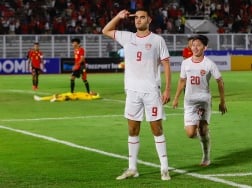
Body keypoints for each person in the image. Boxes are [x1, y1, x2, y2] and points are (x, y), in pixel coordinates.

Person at [102, 9, 171, 180]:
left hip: (151, 92)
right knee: (133, 129)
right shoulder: (127, 37)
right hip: (132, 92)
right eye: (137, 18)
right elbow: (105, 30)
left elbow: (166, 65)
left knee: (157, 129)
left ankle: (164, 168)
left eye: (142, 17)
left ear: (149, 20)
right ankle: (132, 168)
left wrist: (168, 89)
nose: (139, 20)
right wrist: (118, 17)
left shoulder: (157, 40)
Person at [172, 35, 227, 166]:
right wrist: (176, 98)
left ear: (205, 47)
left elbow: (220, 81)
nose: (195, 47)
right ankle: (205, 135)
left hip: (204, 100)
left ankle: (206, 156)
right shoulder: (185, 63)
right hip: (189, 101)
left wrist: (222, 101)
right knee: (190, 134)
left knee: (202, 129)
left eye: (198, 45)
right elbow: (182, 81)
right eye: (193, 45)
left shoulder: (209, 64)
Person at [34, 91, 100, 102]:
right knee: (55, 95)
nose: (92, 91)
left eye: (93, 92)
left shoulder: (90, 97)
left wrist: (96, 94)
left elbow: (98, 96)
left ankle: (56, 99)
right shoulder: (87, 94)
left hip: (74, 96)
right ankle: (40, 98)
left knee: (64, 98)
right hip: (71, 94)